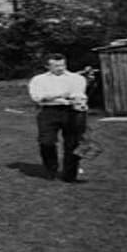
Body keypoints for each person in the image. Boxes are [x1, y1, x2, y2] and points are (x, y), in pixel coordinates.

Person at [27, 54, 89, 182]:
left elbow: (77, 95)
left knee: (73, 143)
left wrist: (50, 96)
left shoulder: (77, 78)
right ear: (47, 66)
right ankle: (51, 169)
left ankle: (70, 176)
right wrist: (61, 94)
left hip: (73, 112)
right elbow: (37, 97)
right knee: (46, 142)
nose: (60, 68)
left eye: (62, 65)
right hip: (49, 112)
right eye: (56, 66)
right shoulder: (38, 80)